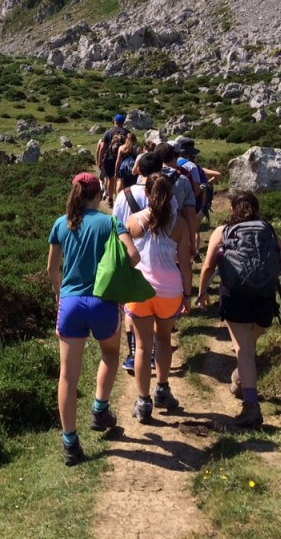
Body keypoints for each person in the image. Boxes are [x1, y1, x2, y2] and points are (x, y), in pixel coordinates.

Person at [196, 191, 281, 428]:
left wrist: (202, 293)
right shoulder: (269, 231)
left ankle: (251, 406)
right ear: (256, 208)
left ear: (233, 209)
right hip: (265, 297)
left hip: (235, 296)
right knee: (247, 347)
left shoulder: (222, 232)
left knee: (243, 349)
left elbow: (207, 266)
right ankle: (239, 379)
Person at [48, 172, 140, 466]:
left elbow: (52, 268)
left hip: (71, 303)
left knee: (67, 376)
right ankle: (100, 410)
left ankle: (70, 444)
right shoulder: (110, 222)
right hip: (103, 301)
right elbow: (133, 256)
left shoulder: (61, 224)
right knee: (111, 353)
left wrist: (60, 295)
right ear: (99, 194)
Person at [124, 172, 192, 422]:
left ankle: (143, 402)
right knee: (164, 338)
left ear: (147, 194)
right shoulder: (180, 225)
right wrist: (188, 293)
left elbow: (126, 257)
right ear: (171, 195)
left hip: (140, 290)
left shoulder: (133, 221)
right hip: (170, 290)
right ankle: (162, 389)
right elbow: (184, 262)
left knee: (142, 346)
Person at [112, 151, 175, 374]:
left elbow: (117, 227)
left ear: (140, 169)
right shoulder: (168, 194)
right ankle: (160, 376)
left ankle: (133, 354)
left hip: (135, 266)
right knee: (163, 333)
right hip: (165, 274)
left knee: (132, 314)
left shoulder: (125, 193)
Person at [96, 114, 129, 207]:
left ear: (115, 121)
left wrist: (99, 160)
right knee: (119, 178)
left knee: (110, 179)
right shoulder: (127, 133)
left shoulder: (108, 132)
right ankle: (119, 199)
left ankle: (110, 199)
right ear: (123, 122)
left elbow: (102, 147)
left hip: (109, 158)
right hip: (123, 158)